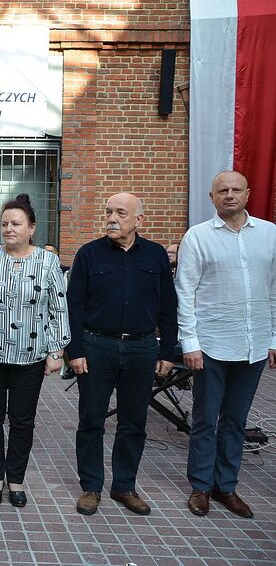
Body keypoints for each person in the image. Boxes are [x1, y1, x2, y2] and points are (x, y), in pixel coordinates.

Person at [66, 193, 177, 516]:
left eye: (120, 213)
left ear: (139, 220)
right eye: (109, 212)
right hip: (96, 347)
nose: (112, 218)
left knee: (134, 421)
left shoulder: (156, 255)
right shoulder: (89, 254)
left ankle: (124, 486)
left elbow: (168, 306)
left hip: (142, 348)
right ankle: (91, 486)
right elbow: (74, 306)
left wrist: (167, 351)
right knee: (91, 419)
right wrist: (75, 351)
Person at [0, 194, 70, 508]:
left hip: (30, 355)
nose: (9, 228)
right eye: (5, 223)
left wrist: (57, 350)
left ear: (31, 228)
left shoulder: (47, 262)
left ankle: (16, 479)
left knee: (22, 421)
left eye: (16, 223)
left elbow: (58, 309)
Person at [177, 171, 276, 519]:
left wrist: (273, 337)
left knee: (236, 420)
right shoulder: (198, 237)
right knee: (205, 419)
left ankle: (226, 486)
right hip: (211, 345)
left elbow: (274, 290)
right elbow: (185, 292)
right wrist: (190, 343)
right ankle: (201, 486)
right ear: (212, 197)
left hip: (253, 344)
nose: (229, 195)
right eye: (222, 190)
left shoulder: (270, 234)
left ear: (248, 194)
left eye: (236, 189)